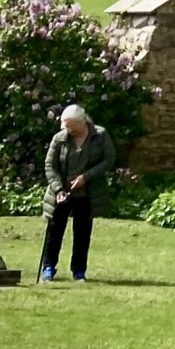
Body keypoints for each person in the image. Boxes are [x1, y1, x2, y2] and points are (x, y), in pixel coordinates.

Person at [40, 103, 115, 283]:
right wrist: (58, 189)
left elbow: (109, 159)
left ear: (83, 122)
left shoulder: (101, 135)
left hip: (86, 194)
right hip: (62, 193)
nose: (68, 130)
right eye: (65, 126)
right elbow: (50, 166)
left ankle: (79, 270)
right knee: (54, 232)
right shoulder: (59, 138)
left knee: (82, 233)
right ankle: (48, 267)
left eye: (71, 127)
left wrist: (86, 177)